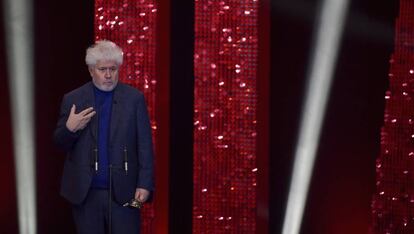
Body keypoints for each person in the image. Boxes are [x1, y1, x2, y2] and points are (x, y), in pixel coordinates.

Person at [54, 40, 154, 234]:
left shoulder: (134, 99)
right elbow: (59, 143)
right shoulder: (73, 99)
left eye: (113, 69)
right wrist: (69, 128)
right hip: (85, 193)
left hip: (126, 192)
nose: (108, 75)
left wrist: (145, 183)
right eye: (102, 69)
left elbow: (145, 145)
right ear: (91, 70)